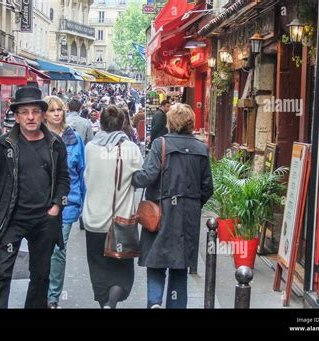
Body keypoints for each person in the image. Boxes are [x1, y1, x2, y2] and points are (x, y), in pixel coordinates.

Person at [0, 87, 70, 309]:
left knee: (41, 275)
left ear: (42, 114)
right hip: (10, 219)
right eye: (24, 112)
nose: (30, 117)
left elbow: (64, 178)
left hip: (44, 220)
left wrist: (56, 205)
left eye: (35, 111)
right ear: (16, 117)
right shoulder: (1, 145)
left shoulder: (55, 144)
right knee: (1, 273)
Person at [132, 104, 213, 309]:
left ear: (170, 122)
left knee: (156, 263)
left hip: (160, 213)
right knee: (180, 268)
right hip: (188, 217)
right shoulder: (201, 148)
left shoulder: (161, 145)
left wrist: (132, 176)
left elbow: (148, 175)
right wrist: (193, 204)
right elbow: (207, 187)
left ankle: (155, 303)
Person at [82, 105, 143, 308]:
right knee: (122, 270)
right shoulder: (131, 149)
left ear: (101, 124)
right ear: (123, 124)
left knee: (98, 266)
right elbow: (141, 176)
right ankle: (112, 303)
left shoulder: (90, 147)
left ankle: (104, 304)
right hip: (120, 222)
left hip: (94, 220)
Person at [43, 95, 85, 309]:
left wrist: (83, 206)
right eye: (52, 110)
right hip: (40, 202)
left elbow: (82, 172)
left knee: (59, 249)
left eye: (60, 109)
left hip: (68, 202)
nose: (57, 113)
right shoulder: (36, 137)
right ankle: (40, 290)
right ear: (45, 114)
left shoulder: (74, 138)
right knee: (42, 248)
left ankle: (52, 297)